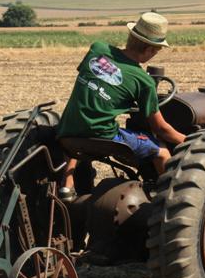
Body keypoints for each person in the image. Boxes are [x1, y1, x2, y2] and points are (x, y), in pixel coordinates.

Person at [56, 12, 187, 199]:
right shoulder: (144, 81)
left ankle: (67, 186)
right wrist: (189, 140)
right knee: (161, 149)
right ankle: (167, 201)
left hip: (67, 130)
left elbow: (96, 84)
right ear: (150, 50)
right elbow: (161, 128)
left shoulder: (97, 49)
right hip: (103, 136)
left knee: (80, 129)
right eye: (156, 51)